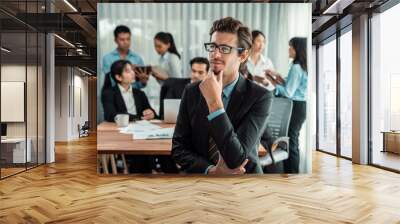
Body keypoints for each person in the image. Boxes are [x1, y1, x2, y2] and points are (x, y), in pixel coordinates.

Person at [171, 17, 273, 174]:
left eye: (225, 49)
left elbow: (236, 159)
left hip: (244, 179)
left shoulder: (260, 97)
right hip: (201, 178)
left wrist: (215, 104)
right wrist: (210, 170)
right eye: (213, 46)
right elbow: (179, 149)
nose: (215, 54)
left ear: (243, 55)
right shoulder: (192, 91)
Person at [263, 37, 308, 173]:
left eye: (291, 47)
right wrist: (276, 77)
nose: (289, 49)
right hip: (300, 106)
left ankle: (292, 172)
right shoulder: (301, 66)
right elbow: (290, 86)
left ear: (297, 49)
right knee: (292, 139)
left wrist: (272, 83)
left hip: (295, 106)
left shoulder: (296, 67)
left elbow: (288, 92)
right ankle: (291, 172)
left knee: (291, 141)